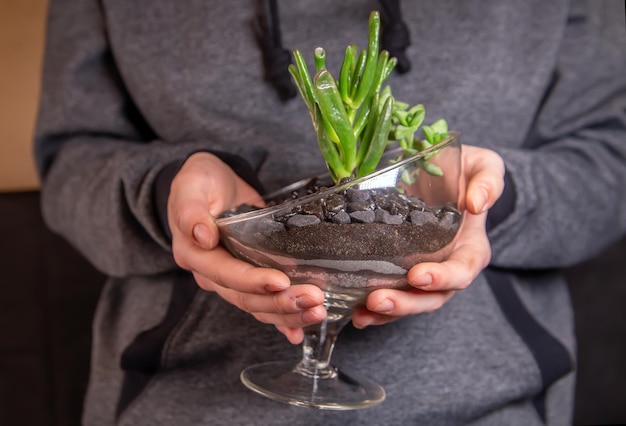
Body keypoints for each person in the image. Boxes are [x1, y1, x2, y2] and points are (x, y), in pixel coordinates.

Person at [34, 0, 626, 425]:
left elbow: (609, 164)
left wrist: (487, 199)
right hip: (182, 404)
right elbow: (71, 161)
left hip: (487, 404)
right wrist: (163, 191)